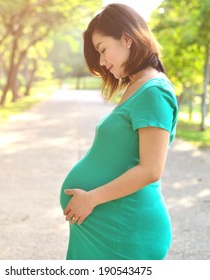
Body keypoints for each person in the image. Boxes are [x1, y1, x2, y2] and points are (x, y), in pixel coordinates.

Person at [59, 3, 178, 260]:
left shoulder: (154, 91)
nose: (101, 62)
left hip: (124, 233)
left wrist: (91, 198)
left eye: (102, 50)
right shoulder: (138, 86)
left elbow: (151, 170)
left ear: (127, 38)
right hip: (109, 229)